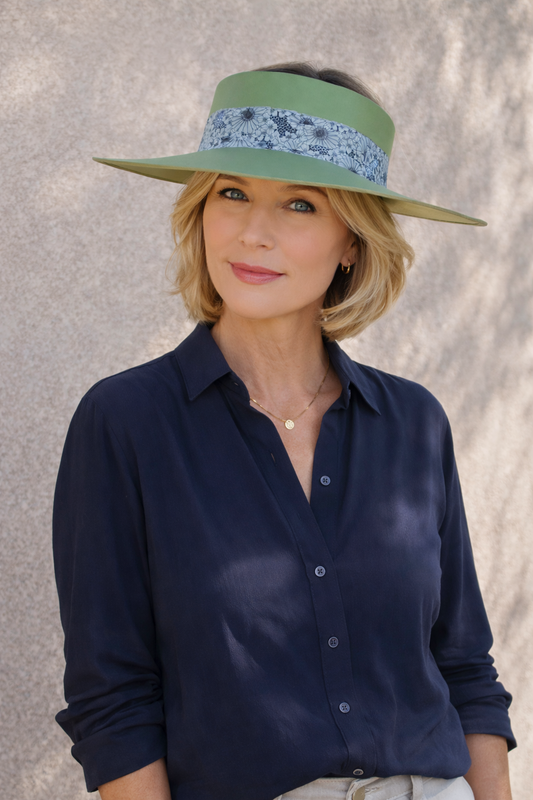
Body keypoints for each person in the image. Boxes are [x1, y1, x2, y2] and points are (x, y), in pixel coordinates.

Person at [53, 63, 515, 800]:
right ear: (200, 212)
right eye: (230, 193)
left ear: (352, 243)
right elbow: (113, 696)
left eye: (299, 205)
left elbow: (463, 663)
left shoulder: (412, 422)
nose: (253, 232)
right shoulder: (126, 422)